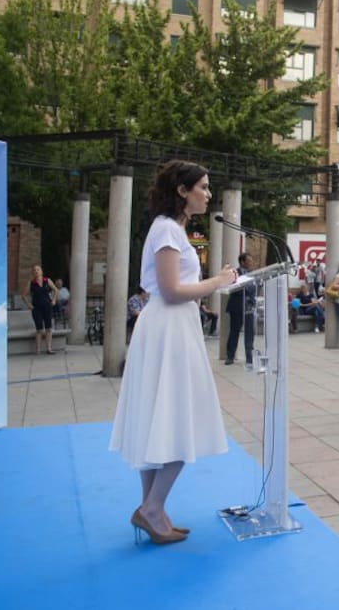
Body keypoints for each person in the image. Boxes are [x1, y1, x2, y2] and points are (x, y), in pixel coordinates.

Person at [109, 160, 233, 545]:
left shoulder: (173, 229)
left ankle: (152, 508)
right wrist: (218, 281)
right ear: (182, 190)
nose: (208, 194)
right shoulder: (166, 229)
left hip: (173, 326)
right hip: (168, 327)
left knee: (161, 414)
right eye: (204, 187)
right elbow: (169, 289)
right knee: (178, 415)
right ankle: (150, 508)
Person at [224, 253, 256, 367]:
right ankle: (230, 356)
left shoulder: (253, 274)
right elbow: (232, 288)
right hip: (237, 306)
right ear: (242, 262)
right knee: (234, 331)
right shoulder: (235, 273)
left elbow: (254, 288)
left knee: (249, 332)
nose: (251, 263)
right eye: (249, 261)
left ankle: (250, 357)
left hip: (249, 306)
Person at [23, 264, 59, 355]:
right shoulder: (31, 283)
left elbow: (56, 290)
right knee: (39, 329)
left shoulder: (47, 280)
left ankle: (49, 348)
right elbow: (23, 295)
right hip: (37, 308)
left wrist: (54, 300)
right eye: (34, 270)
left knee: (49, 328)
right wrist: (29, 305)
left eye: (38, 270)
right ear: (33, 273)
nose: (36, 271)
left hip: (47, 306)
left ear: (41, 271)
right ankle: (38, 349)